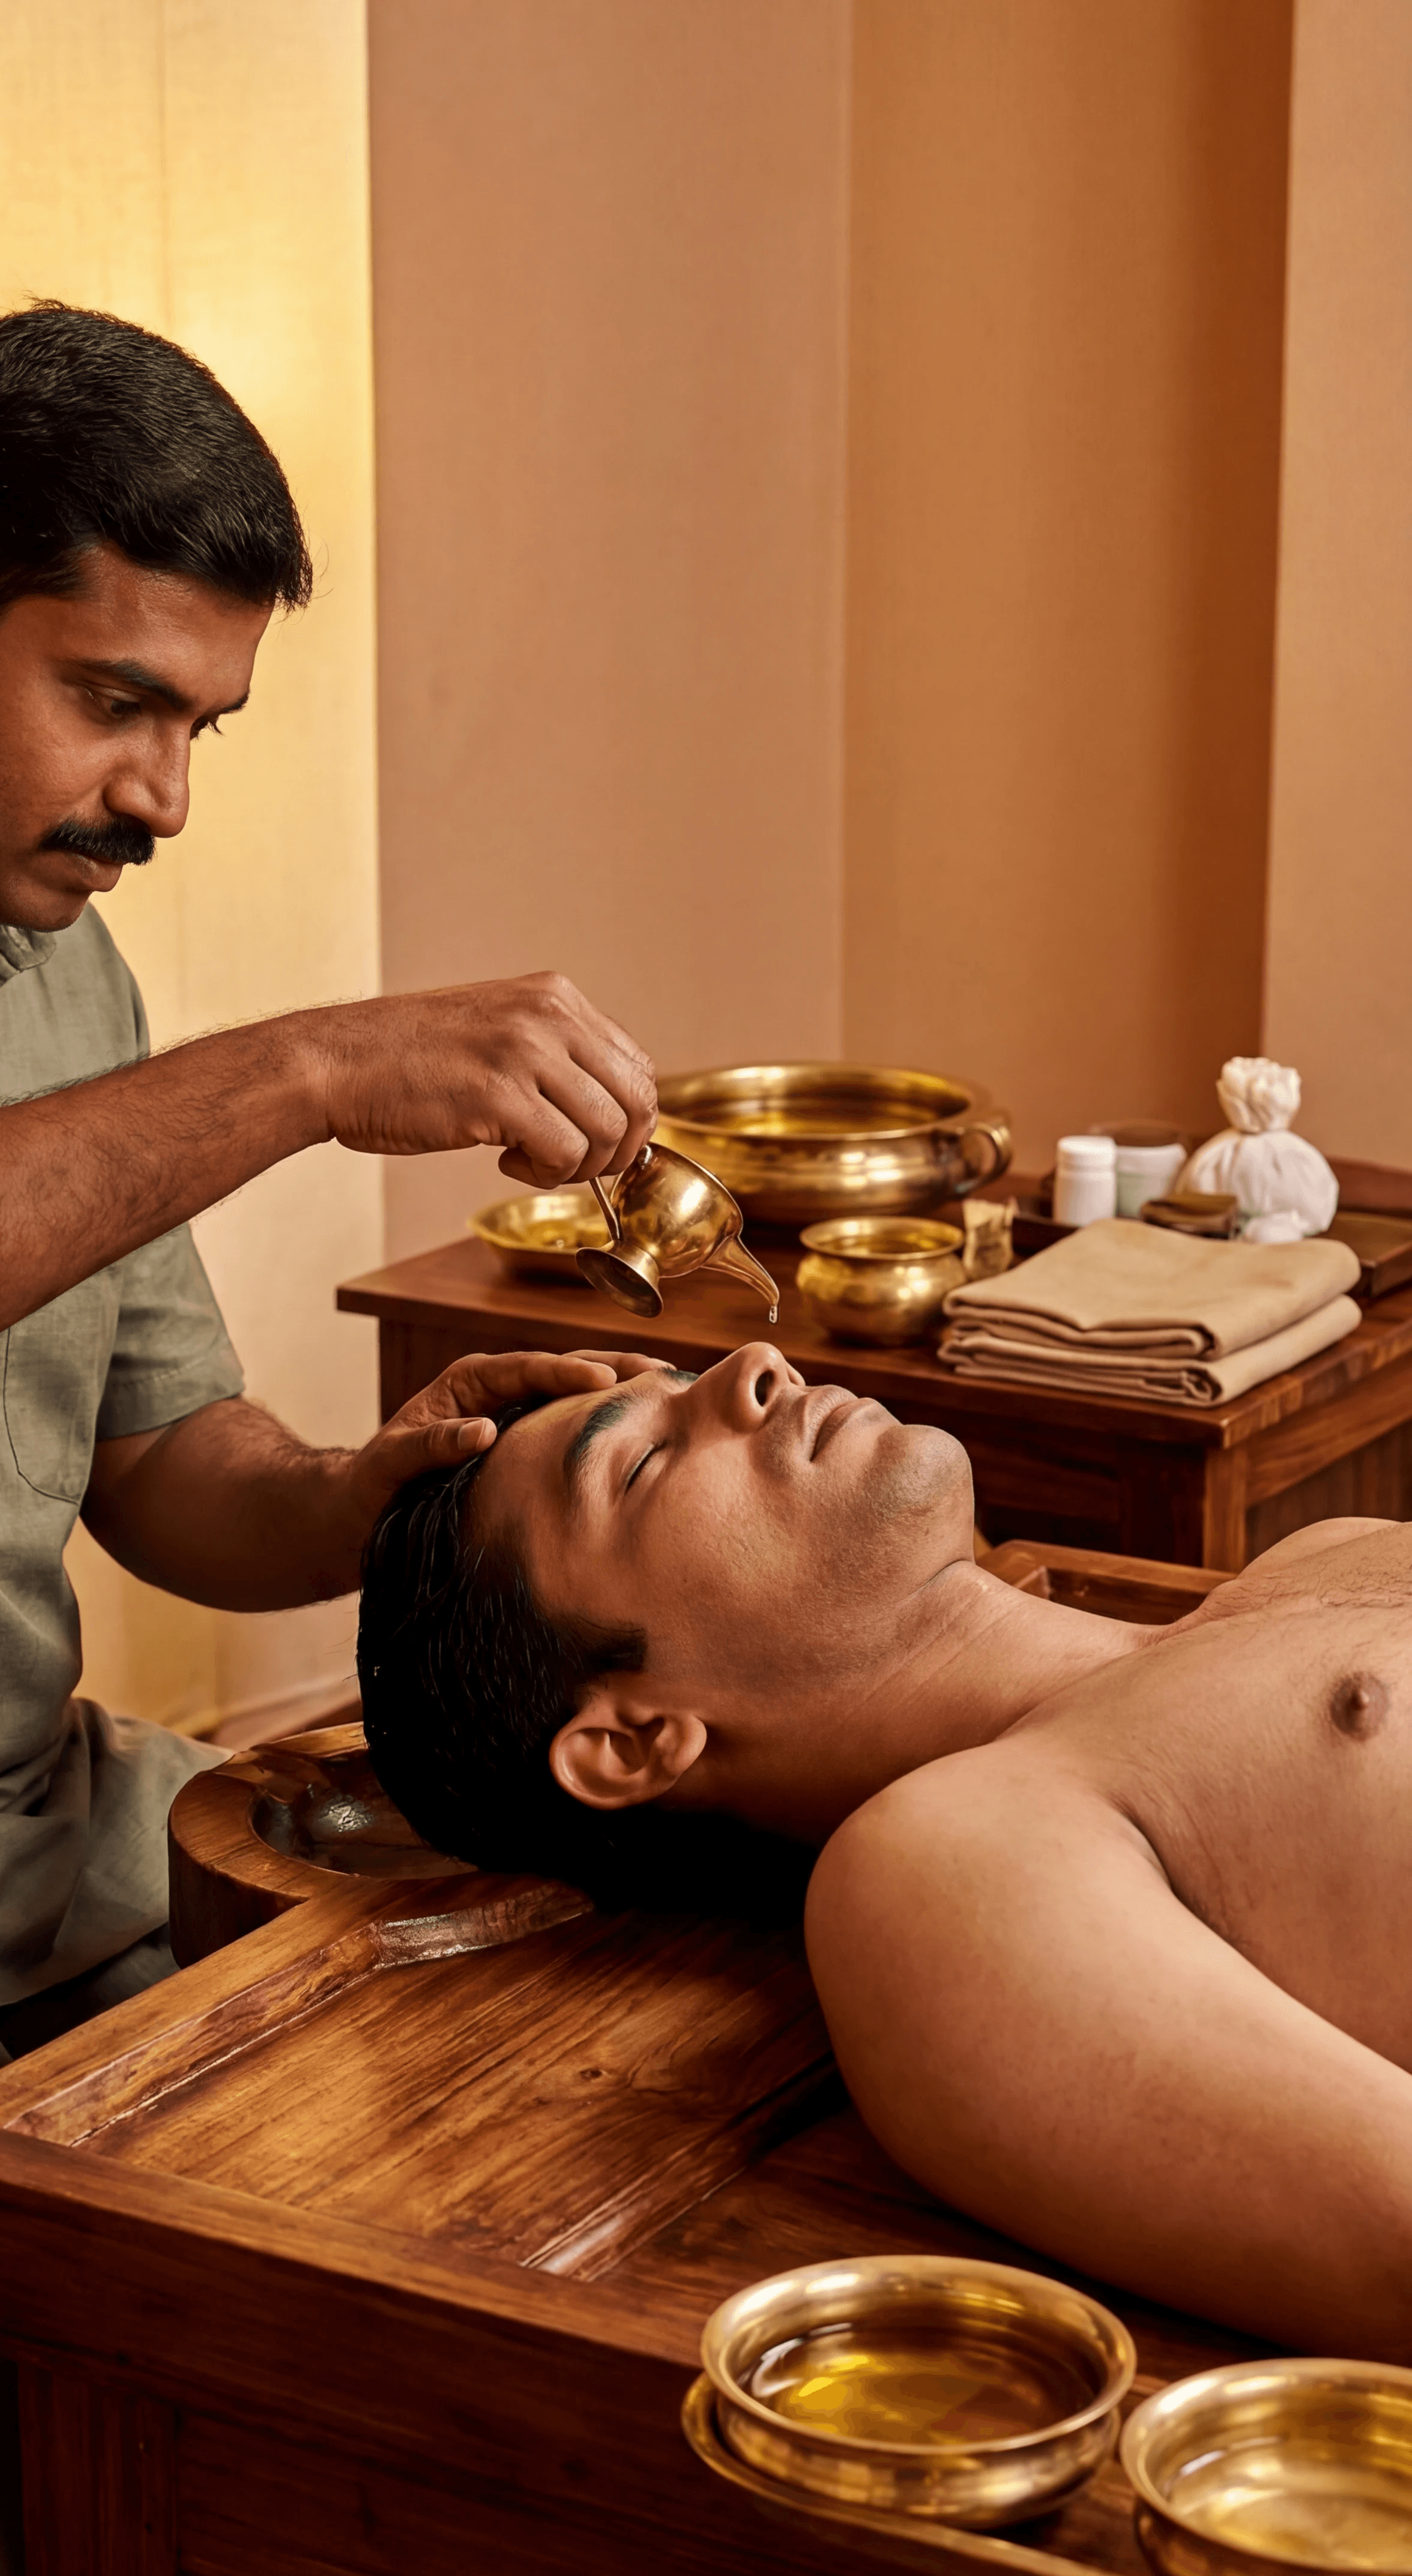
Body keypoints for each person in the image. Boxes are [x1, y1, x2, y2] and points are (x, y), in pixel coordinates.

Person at [0, 300, 661, 2050]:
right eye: (113, 700)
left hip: (49, 1854)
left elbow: (160, 1469)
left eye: (198, 727)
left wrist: (375, 1491)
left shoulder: (65, 971)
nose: (161, 798)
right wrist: (307, 1069)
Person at [360, 1341, 1412, 2359]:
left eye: (685, 1382)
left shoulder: (1319, 1553)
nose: (754, 1364)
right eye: (644, 1459)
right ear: (634, 1740)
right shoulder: (947, 1868)